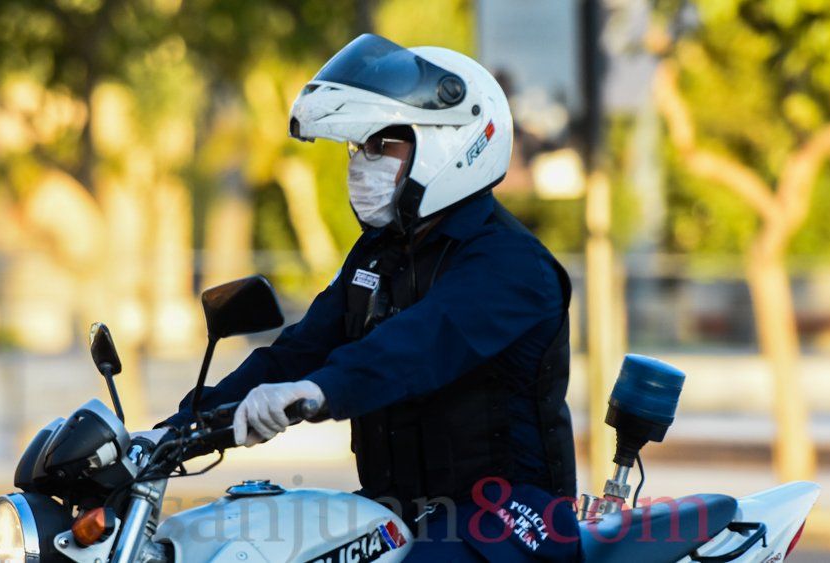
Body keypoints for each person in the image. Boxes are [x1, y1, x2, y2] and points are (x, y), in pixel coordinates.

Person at [158, 34, 580, 562]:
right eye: (360, 148)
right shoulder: (381, 253)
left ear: (448, 145)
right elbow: (300, 349)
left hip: (507, 514)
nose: (362, 163)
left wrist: (317, 390)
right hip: (401, 507)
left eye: (382, 146)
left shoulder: (510, 264)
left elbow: (418, 347)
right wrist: (172, 433)